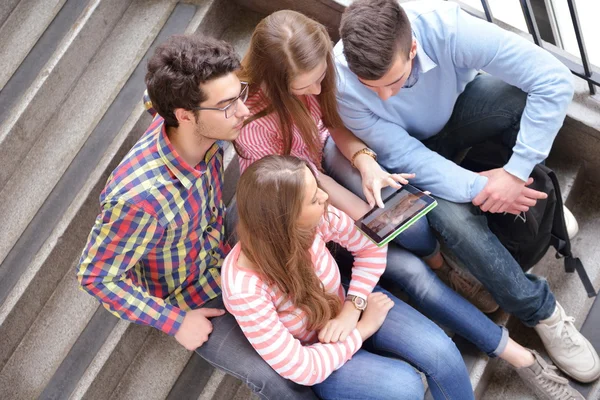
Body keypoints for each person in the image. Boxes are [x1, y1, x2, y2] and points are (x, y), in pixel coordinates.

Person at [332, 0, 600, 383]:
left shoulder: (446, 27)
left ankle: (536, 197)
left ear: (412, 49)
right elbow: (408, 156)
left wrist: (514, 173)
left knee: (519, 97)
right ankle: (542, 312)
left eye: (395, 82)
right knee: (452, 218)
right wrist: (483, 187)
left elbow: (554, 80)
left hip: (460, 112)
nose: (386, 98)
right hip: (410, 161)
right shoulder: (342, 81)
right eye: (373, 88)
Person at [222, 155, 584, 400]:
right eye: (314, 199)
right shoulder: (245, 288)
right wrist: (360, 331)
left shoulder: (319, 220)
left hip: (349, 307)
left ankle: (520, 359)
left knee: (442, 352)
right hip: (321, 356)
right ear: (285, 222)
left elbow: (370, 247)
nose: (325, 199)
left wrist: (355, 305)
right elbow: (301, 368)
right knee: (406, 386)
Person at [76, 34, 318, 400]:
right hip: (193, 296)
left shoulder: (189, 113)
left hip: (226, 243)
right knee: (276, 381)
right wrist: (174, 322)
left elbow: (154, 97)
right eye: (226, 105)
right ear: (184, 116)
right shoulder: (137, 199)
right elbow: (95, 275)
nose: (244, 110)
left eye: (240, 93)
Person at [236, 9, 498, 312]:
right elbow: (312, 181)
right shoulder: (252, 126)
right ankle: (436, 267)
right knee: (397, 226)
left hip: (326, 150)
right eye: (304, 87)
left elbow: (333, 124)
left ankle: (437, 260)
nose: (318, 90)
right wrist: (375, 215)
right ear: (276, 83)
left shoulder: (315, 75)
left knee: (405, 218)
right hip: (297, 193)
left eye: (321, 78)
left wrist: (367, 163)